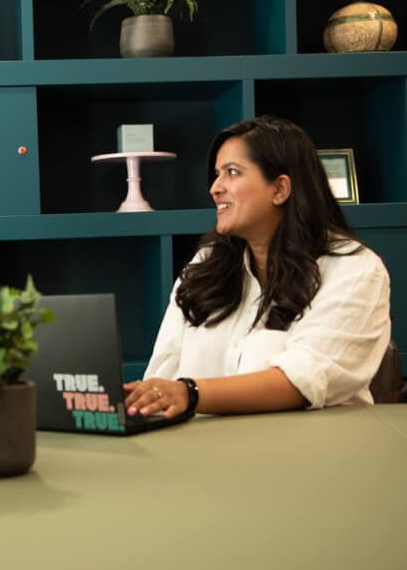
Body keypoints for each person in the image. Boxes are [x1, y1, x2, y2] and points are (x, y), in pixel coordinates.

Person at [124, 116, 391, 418]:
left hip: (309, 458)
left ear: (280, 189)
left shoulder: (354, 270)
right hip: (202, 456)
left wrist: (191, 393)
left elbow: (303, 381)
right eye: (216, 175)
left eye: (232, 173)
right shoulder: (204, 265)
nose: (215, 188)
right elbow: (164, 369)